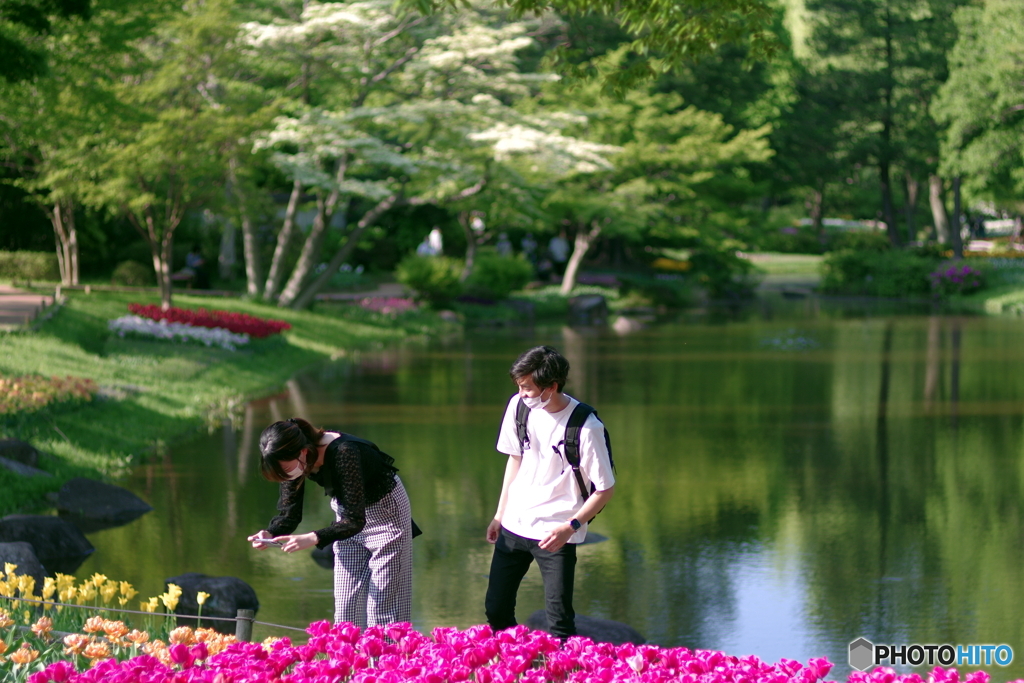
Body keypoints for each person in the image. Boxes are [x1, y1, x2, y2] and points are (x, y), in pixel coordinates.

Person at [484, 346, 615, 638]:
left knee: (559, 620)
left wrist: (571, 527)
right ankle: (516, 665)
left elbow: (605, 488)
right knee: (496, 609)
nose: (522, 394)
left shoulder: (586, 426)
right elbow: (514, 459)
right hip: (515, 524)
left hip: (555, 532)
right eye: (519, 387)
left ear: (551, 387)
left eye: (527, 388)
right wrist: (499, 514)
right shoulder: (518, 407)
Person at [248, 417, 413, 627]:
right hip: (347, 518)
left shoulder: (344, 452)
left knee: (382, 609)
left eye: (286, 470)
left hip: (387, 516)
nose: (286, 476)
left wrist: (313, 537)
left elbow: (355, 520)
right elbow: (290, 514)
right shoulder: (294, 461)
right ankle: (347, 660)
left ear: (304, 452)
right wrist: (269, 533)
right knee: (345, 608)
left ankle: (387, 659)